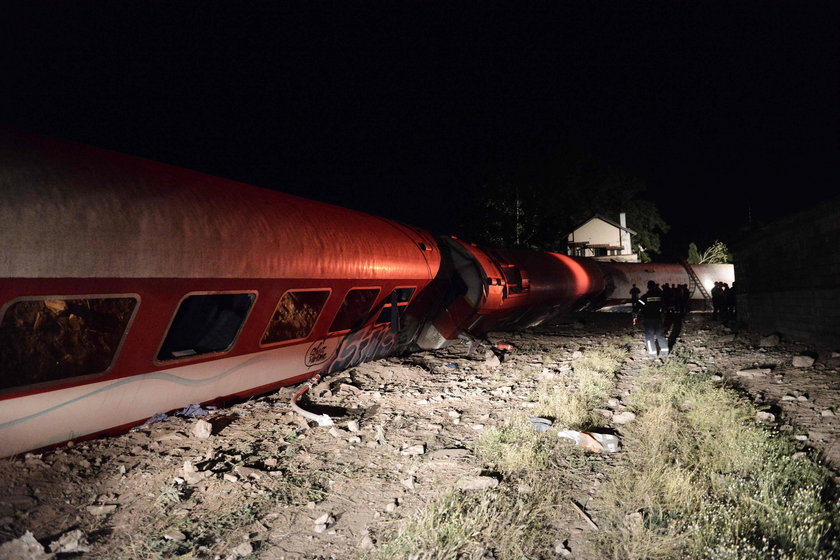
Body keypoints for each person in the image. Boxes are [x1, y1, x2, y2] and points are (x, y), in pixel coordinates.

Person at [638, 280, 669, 357]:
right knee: (660, 335)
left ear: (648, 287)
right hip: (658, 318)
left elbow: (637, 306)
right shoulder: (659, 297)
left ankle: (652, 354)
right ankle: (665, 352)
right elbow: (664, 306)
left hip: (648, 318)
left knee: (649, 336)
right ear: (655, 286)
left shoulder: (644, 297)